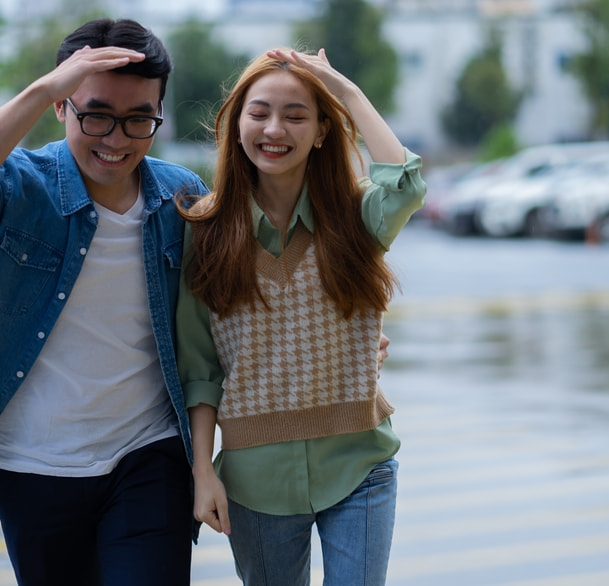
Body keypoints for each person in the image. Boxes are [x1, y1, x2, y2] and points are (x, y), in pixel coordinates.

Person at [0, 18, 206, 585]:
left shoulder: (180, 194)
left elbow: (238, 292)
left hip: (149, 455)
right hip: (35, 466)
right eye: (96, 114)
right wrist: (43, 87)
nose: (116, 139)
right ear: (62, 107)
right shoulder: (21, 187)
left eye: (139, 118)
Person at [175, 48, 426, 586]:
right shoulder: (205, 232)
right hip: (254, 481)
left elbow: (406, 183)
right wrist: (202, 472)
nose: (274, 128)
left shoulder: (357, 219)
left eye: (296, 114)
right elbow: (200, 371)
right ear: (237, 123)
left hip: (361, 463)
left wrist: (346, 90)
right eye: (259, 112)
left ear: (320, 131)